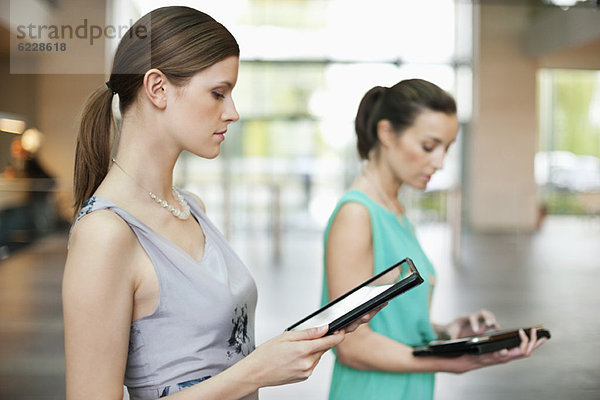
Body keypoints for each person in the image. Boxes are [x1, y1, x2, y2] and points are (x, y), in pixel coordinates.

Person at [62, 7, 377, 400]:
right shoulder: (105, 234)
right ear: (157, 88)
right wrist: (256, 371)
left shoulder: (191, 207)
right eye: (218, 93)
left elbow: (213, 358)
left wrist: (301, 342)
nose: (232, 112)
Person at [321, 79, 548, 400]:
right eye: (429, 146)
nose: (440, 162)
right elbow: (351, 345)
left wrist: (448, 331)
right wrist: (450, 361)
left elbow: (393, 323)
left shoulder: (394, 210)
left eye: (446, 148)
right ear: (386, 133)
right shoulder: (357, 214)